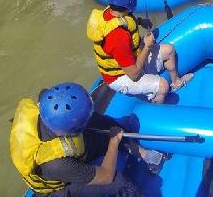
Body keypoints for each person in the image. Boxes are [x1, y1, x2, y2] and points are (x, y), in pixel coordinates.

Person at [9, 82, 140, 196]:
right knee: (120, 184)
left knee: (94, 119)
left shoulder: (47, 103)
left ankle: (127, 139)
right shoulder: (57, 164)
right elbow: (106, 176)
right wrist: (114, 142)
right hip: (56, 189)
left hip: (58, 142)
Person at [86, 0, 193, 103]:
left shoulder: (114, 10)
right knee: (163, 86)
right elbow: (134, 74)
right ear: (131, 2)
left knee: (169, 50)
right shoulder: (117, 37)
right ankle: (157, 111)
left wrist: (140, 21)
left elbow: (124, 21)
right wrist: (147, 46)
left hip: (131, 58)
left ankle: (176, 83)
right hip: (120, 76)